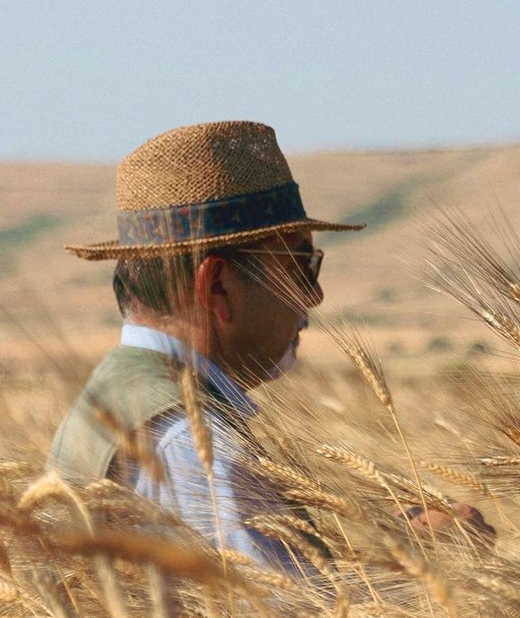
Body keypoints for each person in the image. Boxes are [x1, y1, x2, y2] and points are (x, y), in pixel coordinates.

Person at [49, 119, 362, 572]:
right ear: (217, 286)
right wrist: (432, 564)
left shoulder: (124, 399)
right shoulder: (191, 442)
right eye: (301, 265)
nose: (314, 296)